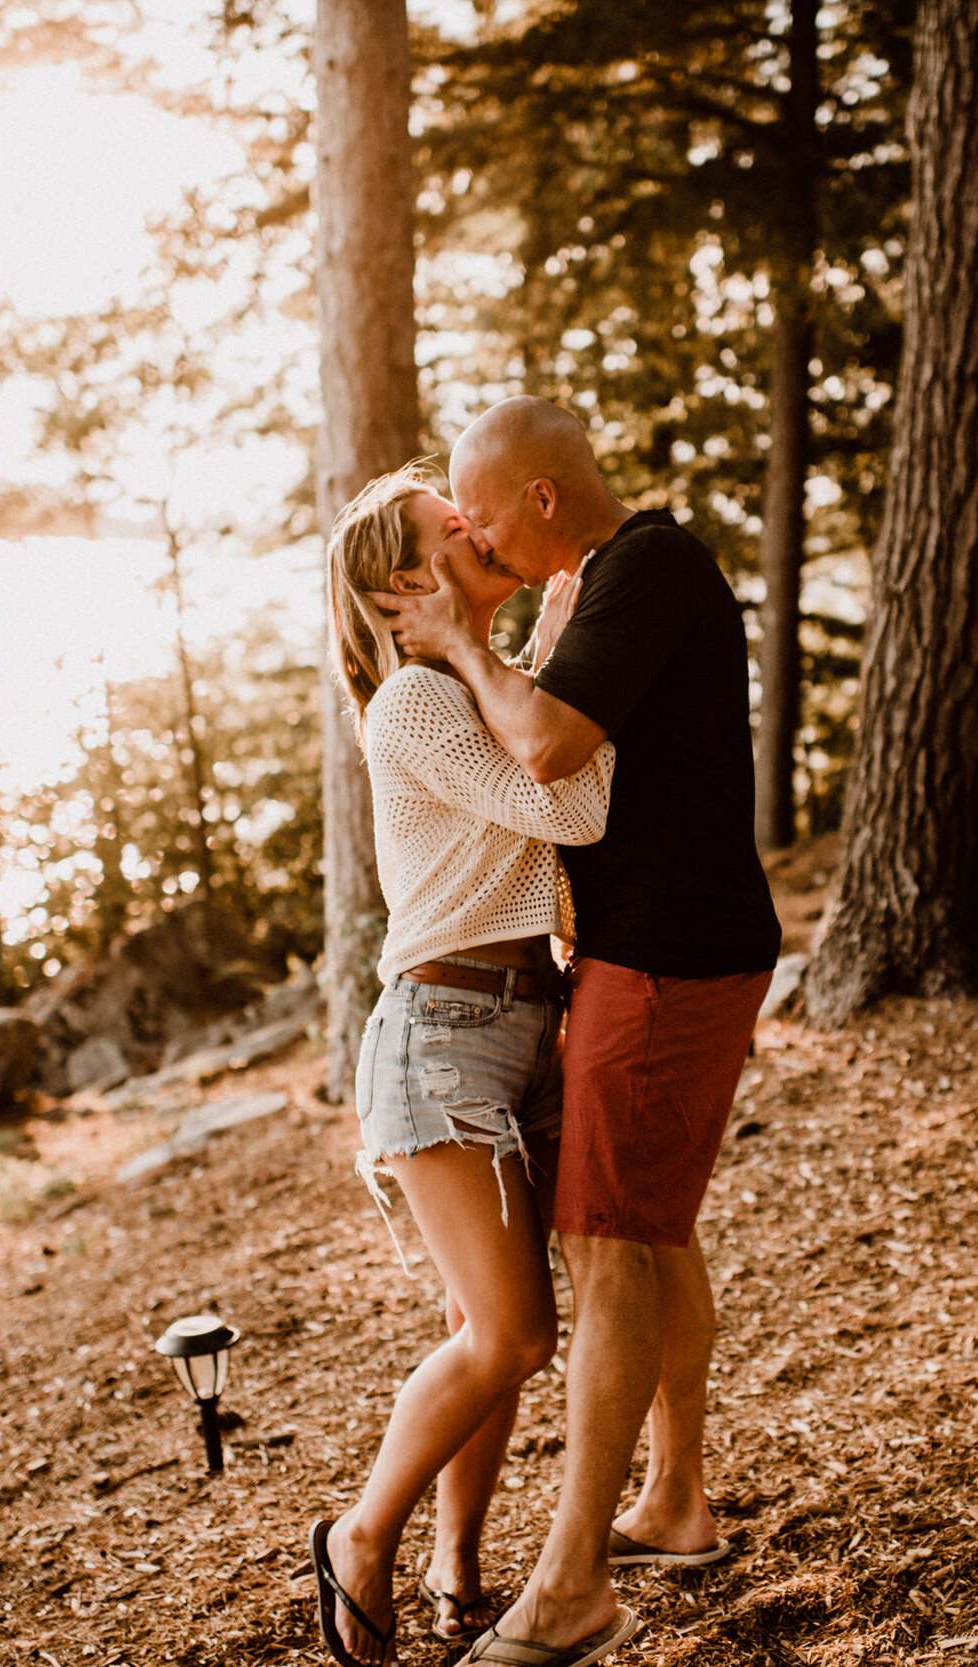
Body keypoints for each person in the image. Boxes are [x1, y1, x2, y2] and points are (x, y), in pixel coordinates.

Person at [374, 398, 782, 1667]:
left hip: (664, 951)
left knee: (610, 1249)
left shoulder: (641, 567)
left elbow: (550, 751)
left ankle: (569, 1583)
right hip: (647, 949)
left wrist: (467, 637)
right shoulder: (598, 590)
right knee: (650, 1233)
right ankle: (674, 1498)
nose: (479, 539)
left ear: (541, 499)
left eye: (483, 514)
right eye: (458, 533)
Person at [308, 461, 618, 1667]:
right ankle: (359, 1535)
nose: (482, 525)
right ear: (408, 581)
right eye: (455, 525)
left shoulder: (477, 685)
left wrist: (535, 653)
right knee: (512, 1335)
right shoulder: (419, 704)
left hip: (518, 1021)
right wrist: (538, 669)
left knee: (485, 1323)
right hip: (447, 1036)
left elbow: (558, 775)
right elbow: (576, 810)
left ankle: (458, 1571)